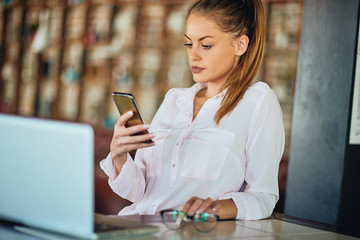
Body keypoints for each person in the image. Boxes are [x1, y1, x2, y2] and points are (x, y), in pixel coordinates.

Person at [100, 0, 285, 220]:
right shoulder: (174, 100)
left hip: (187, 231)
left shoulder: (258, 102)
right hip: (135, 224)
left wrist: (214, 208)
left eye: (205, 45)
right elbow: (139, 192)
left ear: (240, 45)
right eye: (189, 44)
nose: (193, 55)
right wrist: (119, 156)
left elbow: (264, 197)